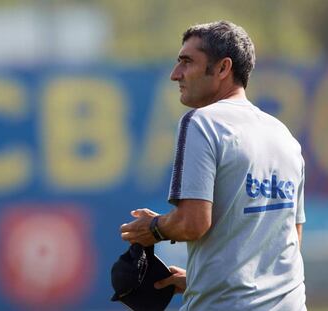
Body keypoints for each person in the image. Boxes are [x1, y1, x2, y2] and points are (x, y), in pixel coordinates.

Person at [120, 20, 306, 310]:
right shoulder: (284, 136)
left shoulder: (203, 122)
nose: (175, 74)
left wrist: (154, 228)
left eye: (186, 62)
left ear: (222, 68)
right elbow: (289, 239)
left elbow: (193, 223)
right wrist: (201, 278)